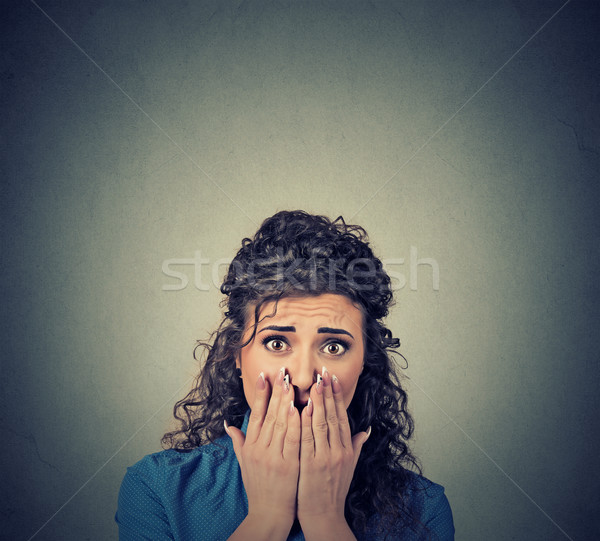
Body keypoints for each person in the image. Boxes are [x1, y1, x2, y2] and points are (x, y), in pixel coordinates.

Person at [115, 210, 455, 540]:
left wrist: (325, 521)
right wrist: (268, 517)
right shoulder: (158, 487)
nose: (304, 377)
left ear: (366, 360)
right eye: (277, 342)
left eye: (334, 347)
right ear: (236, 353)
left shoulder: (423, 509)